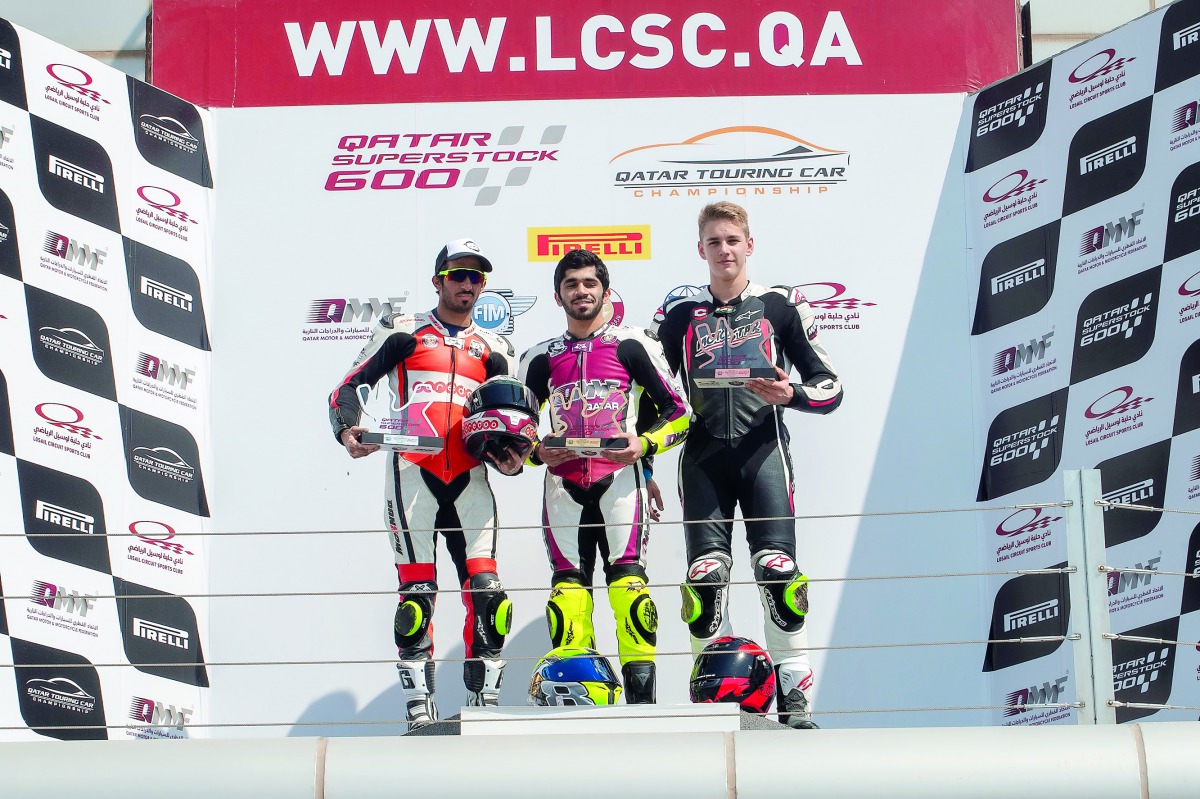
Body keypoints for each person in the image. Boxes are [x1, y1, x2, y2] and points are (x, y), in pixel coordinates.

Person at [651, 202, 843, 729]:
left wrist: (792, 394)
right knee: (705, 580)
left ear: (749, 245)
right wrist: (644, 467)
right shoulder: (679, 318)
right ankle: (714, 699)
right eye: (714, 242)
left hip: (765, 455)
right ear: (701, 251)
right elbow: (649, 399)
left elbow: (831, 386)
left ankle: (795, 696)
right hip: (703, 458)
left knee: (779, 577)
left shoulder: (779, 308)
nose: (725, 250)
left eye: (733, 240)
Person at [328, 238, 522, 730]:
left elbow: (512, 420)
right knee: (417, 593)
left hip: (471, 478)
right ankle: (420, 708)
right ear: (438, 280)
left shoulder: (496, 348)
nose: (468, 284)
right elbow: (347, 387)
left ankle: (484, 707)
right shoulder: (402, 330)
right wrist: (349, 429)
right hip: (413, 470)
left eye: (477, 277)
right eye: (458, 275)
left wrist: (513, 454)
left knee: (488, 594)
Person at [518, 249, 691, 704]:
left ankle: (641, 708)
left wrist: (646, 446)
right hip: (563, 487)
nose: (581, 291)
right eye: (572, 284)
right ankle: (579, 705)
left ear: (606, 291)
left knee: (631, 596)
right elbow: (517, 431)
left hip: (620, 484)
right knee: (567, 599)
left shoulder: (632, 344)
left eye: (590, 283)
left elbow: (679, 413)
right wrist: (538, 452)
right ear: (558, 296)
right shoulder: (539, 358)